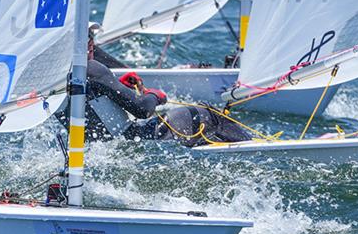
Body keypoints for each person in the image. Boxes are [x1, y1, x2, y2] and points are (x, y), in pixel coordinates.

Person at [59, 24, 251, 146]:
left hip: (100, 148)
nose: (92, 41)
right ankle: (252, 145)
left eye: (91, 36)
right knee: (205, 112)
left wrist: (115, 86)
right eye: (88, 38)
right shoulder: (91, 69)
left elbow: (91, 108)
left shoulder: (56, 77)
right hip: (139, 140)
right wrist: (155, 95)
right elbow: (143, 110)